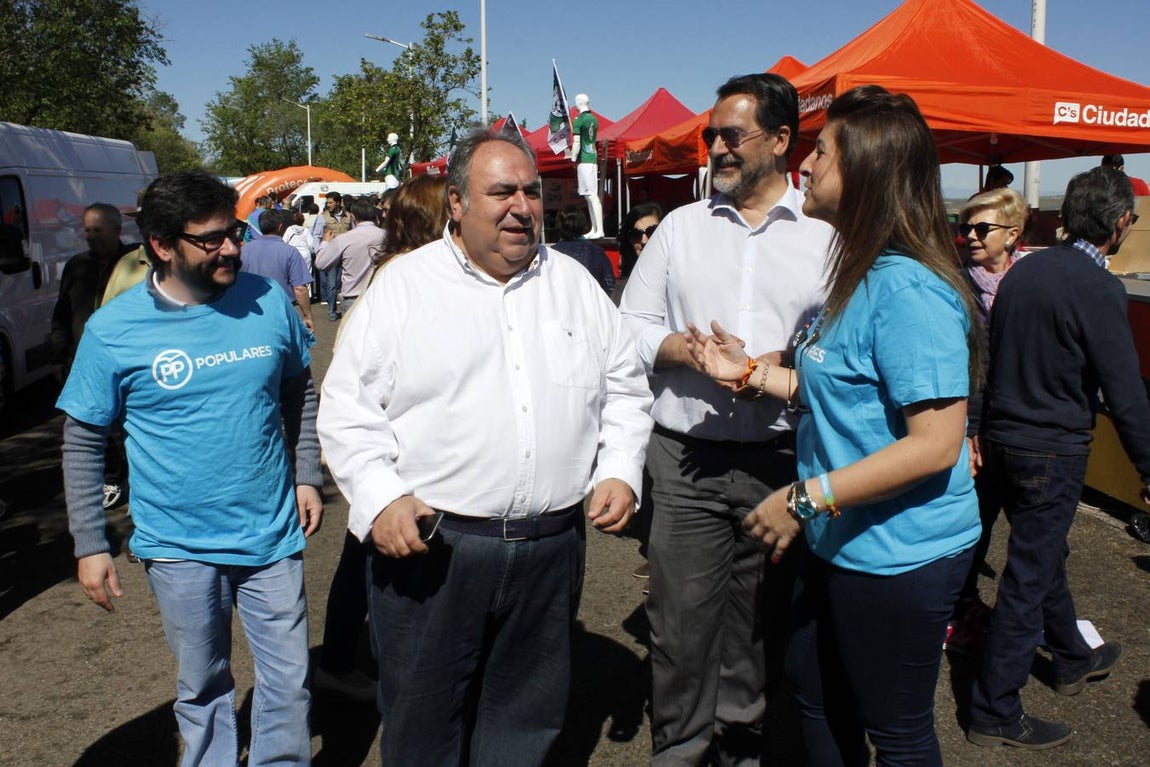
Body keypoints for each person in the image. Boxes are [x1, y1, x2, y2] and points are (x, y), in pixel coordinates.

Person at [317, 128, 653, 766]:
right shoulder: (404, 287)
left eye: (530, 191)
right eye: (501, 192)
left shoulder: (573, 284)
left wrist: (618, 470)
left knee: (524, 727)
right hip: (433, 552)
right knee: (422, 728)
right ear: (455, 204)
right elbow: (346, 408)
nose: (521, 206)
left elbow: (625, 389)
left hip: (551, 550)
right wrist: (381, 498)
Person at [688, 84, 981, 766]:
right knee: (815, 696)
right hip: (841, 541)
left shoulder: (908, 288)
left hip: (901, 552)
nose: (807, 166)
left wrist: (803, 497)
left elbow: (935, 445)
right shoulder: (858, 270)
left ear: (869, 174)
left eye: (821, 151)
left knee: (897, 728)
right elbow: (845, 393)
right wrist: (754, 373)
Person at [58, 170, 323, 766]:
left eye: (233, 231)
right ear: (161, 245)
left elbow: (299, 389)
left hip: (272, 534)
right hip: (178, 545)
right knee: (203, 687)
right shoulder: (114, 330)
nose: (231, 247)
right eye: (210, 239)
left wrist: (306, 470)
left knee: (288, 681)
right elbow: (82, 438)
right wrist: (89, 541)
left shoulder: (268, 299)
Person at [620, 73, 833, 766]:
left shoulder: (824, 237)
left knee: (758, 623)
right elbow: (630, 326)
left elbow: (847, 340)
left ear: (779, 140)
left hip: (782, 458)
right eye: (710, 135)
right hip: (686, 461)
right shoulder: (680, 229)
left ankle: (743, 748)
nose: (715, 147)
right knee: (679, 625)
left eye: (730, 134)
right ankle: (679, 749)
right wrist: (683, 350)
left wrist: (776, 362)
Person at [967, 165, 1148, 749]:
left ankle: (1070, 655)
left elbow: (992, 361)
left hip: (1002, 439)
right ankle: (994, 709)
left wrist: (978, 426)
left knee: (1041, 561)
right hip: (1052, 449)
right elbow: (1125, 392)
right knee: (1026, 578)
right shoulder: (1100, 288)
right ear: (1121, 223)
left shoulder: (1024, 273)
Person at [312, 171, 449, 703]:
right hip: (395, 461)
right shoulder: (399, 283)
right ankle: (355, 664)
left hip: (395, 460)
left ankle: (345, 659)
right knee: (374, 564)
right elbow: (351, 388)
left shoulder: (402, 275)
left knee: (361, 560)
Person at [945, 187, 1028, 658]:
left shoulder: (1028, 280)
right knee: (974, 524)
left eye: (981, 229)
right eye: (965, 229)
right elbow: (966, 368)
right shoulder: (959, 286)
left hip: (1017, 424)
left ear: (1012, 234)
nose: (970, 237)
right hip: (975, 426)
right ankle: (960, 607)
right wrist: (970, 429)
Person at [51, 202, 138, 509]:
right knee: (93, 425)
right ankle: (111, 478)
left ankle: (136, 484)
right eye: (86, 230)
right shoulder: (77, 266)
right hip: (82, 360)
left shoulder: (133, 263)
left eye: (97, 230)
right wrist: (59, 349)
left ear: (116, 230)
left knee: (128, 425)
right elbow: (62, 311)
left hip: (126, 360)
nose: (90, 236)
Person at [241, 209, 315, 331]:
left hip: (250, 310)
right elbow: (300, 288)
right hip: (280, 311)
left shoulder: (244, 251)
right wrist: (307, 316)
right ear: (280, 227)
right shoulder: (290, 252)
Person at [314, 198, 384, 316]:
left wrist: (325, 243)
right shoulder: (388, 236)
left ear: (353, 217)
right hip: (380, 297)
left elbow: (321, 263)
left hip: (354, 298)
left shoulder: (345, 239)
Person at [551, 209, 615, 294]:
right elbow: (609, 285)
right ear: (584, 226)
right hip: (591, 304)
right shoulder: (596, 251)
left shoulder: (551, 254)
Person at [570, 93, 604, 239]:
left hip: (584, 159)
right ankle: (594, 228)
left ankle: (599, 229)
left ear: (579, 102)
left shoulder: (579, 120)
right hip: (592, 157)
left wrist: (572, 157)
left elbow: (577, 142)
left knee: (591, 195)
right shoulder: (594, 120)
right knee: (589, 196)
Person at [318, 192, 352, 320]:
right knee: (332, 284)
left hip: (346, 254)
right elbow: (316, 235)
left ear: (338, 202)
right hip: (332, 254)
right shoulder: (323, 217)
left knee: (343, 283)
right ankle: (332, 310)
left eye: (331, 202)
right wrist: (320, 251)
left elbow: (353, 232)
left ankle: (346, 310)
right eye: (327, 202)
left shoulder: (348, 216)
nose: (328, 205)